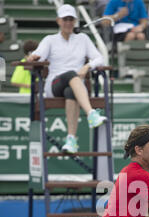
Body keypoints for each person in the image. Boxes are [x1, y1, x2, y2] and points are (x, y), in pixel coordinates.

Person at [27, 4, 106, 154]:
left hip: (75, 88)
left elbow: (99, 58)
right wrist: (33, 57)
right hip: (54, 86)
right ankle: (90, 113)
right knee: (71, 74)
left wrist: (87, 67)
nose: (68, 22)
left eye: (71, 19)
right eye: (65, 19)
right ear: (58, 21)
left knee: (71, 91)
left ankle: (71, 139)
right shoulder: (50, 40)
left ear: (75, 21)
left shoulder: (83, 38)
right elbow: (38, 56)